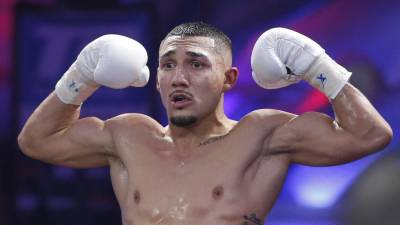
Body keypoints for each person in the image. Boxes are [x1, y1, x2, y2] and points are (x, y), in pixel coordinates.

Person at [18, 22, 392, 225]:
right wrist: (81, 75)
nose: (178, 77)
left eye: (196, 64)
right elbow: (37, 140)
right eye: (168, 65)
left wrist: (317, 66)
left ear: (228, 79)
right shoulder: (128, 135)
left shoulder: (262, 134)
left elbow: (370, 135)